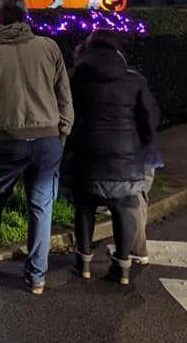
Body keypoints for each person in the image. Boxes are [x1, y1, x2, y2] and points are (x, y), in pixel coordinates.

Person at [0, 0, 74, 295]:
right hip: (48, 138)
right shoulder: (49, 47)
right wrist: (61, 133)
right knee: (41, 206)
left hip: (7, 140)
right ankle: (37, 276)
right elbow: (65, 98)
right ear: (25, 16)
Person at [66, 30, 158, 285]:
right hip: (124, 161)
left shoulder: (76, 79)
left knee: (85, 208)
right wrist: (143, 145)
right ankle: (122, 268)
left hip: (87, 155)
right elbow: (148, 119)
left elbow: (68, 116)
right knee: (123, 209)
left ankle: (83, 263)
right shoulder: (133, 79)